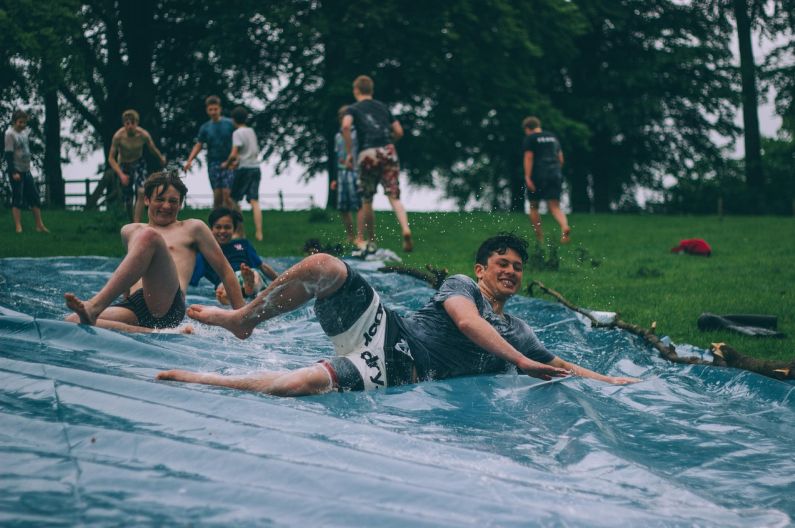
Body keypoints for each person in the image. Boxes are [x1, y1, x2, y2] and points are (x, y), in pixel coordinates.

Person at [157, 233, 639, 396]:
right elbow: (467, 322)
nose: (511, 273)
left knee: (297, 386)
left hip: (403, 369)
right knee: (326, 265)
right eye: (502, 265)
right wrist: (524, 363)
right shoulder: (462, 285)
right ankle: (246, 317)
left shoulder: (519, 329)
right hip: (389, 332)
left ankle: (204, 381)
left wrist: (607, 381)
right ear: (481, 269)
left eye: (517, 268)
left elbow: (557, 364)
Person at [64, 171, 245, 333]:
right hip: (135, 304)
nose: (166, 206)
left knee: (149, 236)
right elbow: (132, 270)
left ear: (180, 204)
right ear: (147, 200)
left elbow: (225, 271)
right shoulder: (129, 231)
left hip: (168, 305)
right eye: (160, 199)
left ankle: (94, 306)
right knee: (72, 320)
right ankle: (152, 332)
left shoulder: (193, 228)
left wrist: (241, 318)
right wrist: (125, 299)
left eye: (173, 201)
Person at [342, 75, 413, 252]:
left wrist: (350, 153)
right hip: (387, 150)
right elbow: (398, 131)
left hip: (367, 152)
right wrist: (390, 143)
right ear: (371, 90)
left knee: (367, 199)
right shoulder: (383, 107)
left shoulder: (353, 108)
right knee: (394, 196)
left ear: (356, 90)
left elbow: (345, 126)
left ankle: (372, 241)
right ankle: (405, 229)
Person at [190, 207, 278, 305]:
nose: (223, 231)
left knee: (254, 275)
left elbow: (262, 266)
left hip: (245, 274)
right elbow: (191, 276)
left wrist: (280, 280)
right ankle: (243, 292)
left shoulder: (243, 244)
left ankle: (248, 288)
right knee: (223, 289)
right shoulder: (205, 253)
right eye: (218, 227)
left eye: (227, 227)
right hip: (224, 283)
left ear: (234, 229)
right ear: (211, 229)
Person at [107, 109, 167, 222]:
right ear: (124, 124)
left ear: (137, 123)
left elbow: (152, 148)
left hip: (138, 163)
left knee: (141, 191)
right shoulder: (118, 137)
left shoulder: (143, 135)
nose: (130, 126)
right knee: (128, 199)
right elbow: (110, 158)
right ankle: (131, 222)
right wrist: (121, 175)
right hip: (124, 165)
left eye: (132, 123)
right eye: (127, 123)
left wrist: (160, 158)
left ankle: (137, 222)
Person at [522, 116, 570, 244]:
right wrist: (556, 171)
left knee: (533, 206)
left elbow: (528, 157)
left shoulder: (530, 138)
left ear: (527, 129)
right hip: (555, 173)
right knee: (555, 206)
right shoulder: (552, 137)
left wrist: (527, 176)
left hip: (538, 174)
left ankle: (540, 238)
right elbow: (561, 159)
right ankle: (564, 226)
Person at [183, 95, 236, 210]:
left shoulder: (230, 124)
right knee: (217, 196)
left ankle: (237, 225)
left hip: (229, 161)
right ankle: (215, 225)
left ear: (220, 109)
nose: (213, 112)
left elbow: (239, 142)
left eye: (215, 109)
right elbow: (199, 144)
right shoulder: (205, 128)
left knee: (228, 195)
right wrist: (189, 160)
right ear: (207, 110)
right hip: (213, 163)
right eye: (210, 110)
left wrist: (237, 158)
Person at [4, 109, 49, 233]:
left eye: (24, 122)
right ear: (14, 121)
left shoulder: (24, 133)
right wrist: (13, 172)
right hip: (16, 171)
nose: (23, 125)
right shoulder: (9, 134)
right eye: (20, 122)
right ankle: (18, 227)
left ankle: (39, 225)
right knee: (17, 198)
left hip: (26, 170)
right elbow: (8, 155)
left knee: (34, 197)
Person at [223, 106, 263, 241]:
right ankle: (259, 233)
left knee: (233, 199)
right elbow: (252, 151)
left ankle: (240, 231)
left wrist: (227, 164)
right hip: (256, 167)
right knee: (254, 200)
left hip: (244, 169)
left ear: (233, 120)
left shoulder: (237, 133)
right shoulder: (251, 131)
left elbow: (234, 153)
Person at [331, 105, 364, 246]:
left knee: (359, 204)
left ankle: (360, 236)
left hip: (356, 171)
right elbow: (336, 155)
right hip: (341, 172)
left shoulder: (358, 134)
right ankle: (351, 236)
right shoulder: (337, 135)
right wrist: (334, 177)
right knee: (343, 207)